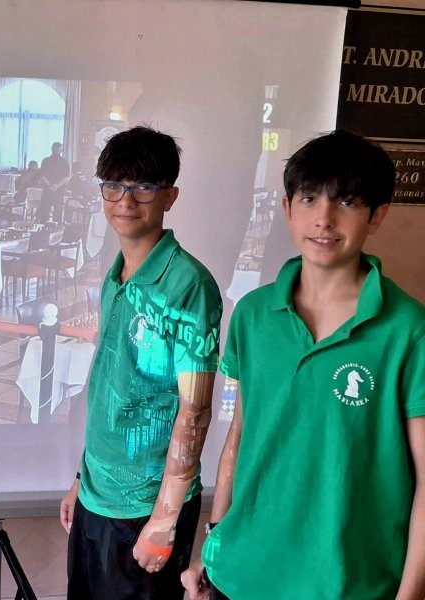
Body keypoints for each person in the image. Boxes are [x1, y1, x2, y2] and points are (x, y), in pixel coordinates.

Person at [182, 130, 425, 600]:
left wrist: (411, 593)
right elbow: (241, 436)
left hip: (347, 583)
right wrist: (212, 547)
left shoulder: (408, 330)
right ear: (287, 208)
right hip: (242, 572)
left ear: (377, 215)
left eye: (347, 202)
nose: (324, 219)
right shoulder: (253, 314)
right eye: (309, 198)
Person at [61, 126, 223, 599]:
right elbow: (113, 387)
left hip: (146, 505)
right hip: (97, 494)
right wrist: (80, 480)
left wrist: (165, 518)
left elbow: (195, 409)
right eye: (114, 185)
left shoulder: (188, 285)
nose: (126, 200)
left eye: (144, 187)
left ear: (170, 195)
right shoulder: (116, 276)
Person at [36, 141, 71, 223]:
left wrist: (50, 185)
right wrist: (56, 186)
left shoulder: (46, 160)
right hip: (57, 189)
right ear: (61, 151)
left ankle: (44, 227)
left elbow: (41, 175)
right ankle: (55, 228)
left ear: (51, 149)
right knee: (55, 212)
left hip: (50, 189)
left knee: (47, 211)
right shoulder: (64, 161)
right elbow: (66, 177)